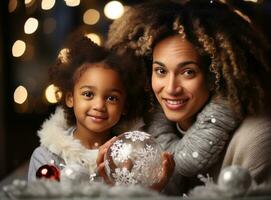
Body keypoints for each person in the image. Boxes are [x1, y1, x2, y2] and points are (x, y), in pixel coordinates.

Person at [97, 0, 271, 195]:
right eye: (161, 71)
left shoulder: (256, 139)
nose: (171, 88)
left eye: (188, 72)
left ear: (215, 75)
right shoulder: (137, 136)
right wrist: (131, 192)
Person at [27, 34, 150, 182]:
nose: (99, 106)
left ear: (125, 105)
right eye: (88, 94)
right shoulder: (46, 158)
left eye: (111, 98)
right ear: (70, 98)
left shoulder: (133, 157)